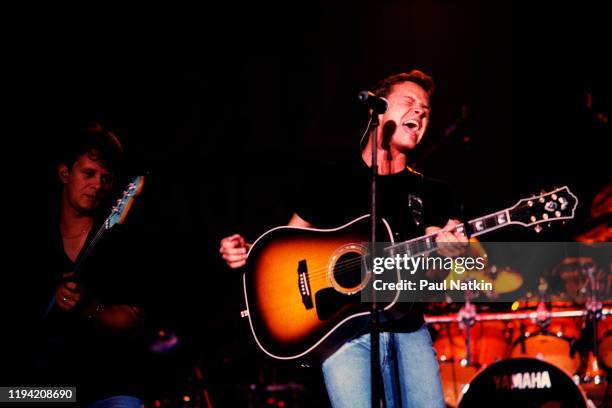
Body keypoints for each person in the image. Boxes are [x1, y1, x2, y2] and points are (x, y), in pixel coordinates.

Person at [220, 70, 467, 407]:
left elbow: (442, 282)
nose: (420, 112)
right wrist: (250, 253)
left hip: (408, 331)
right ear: (375, 111)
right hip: (341, 339)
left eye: (426, 109)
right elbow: (287, 243)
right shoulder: (330, 178)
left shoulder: (433, 193)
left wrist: (448, 257)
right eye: (409, 102)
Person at [23, 123, 148, 408]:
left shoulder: (118, 242)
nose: (98, 185)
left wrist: (89, 309)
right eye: (89, 173)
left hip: (107, 389)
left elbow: (135, 318)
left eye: (106, 178)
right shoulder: (34, 241)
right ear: (64, 173)